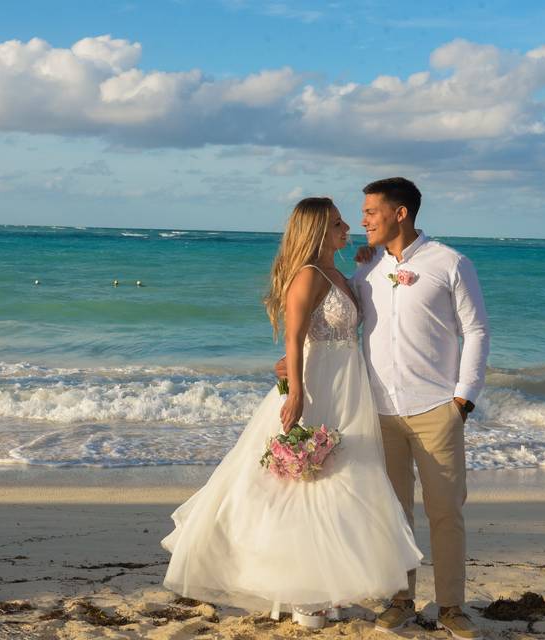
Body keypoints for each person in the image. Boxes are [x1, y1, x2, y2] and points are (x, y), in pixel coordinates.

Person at [162, 197, 422, 629]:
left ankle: (327, 585)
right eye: (338, 224)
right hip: (317, 385)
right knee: (305, 484)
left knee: (340, 484)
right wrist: (296, 392)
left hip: (346, 386)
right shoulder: (308, 275)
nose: (348, 229)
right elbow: (294, 336)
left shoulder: (337, 271)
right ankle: (305, 593)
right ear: (318, 231)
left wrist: (371, 257)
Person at [352, 177, 489, 639]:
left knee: (445, 511)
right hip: (380, 411)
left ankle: (452, 607)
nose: (363, 219)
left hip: (437, 408)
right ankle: (401, 599)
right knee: (393, 512)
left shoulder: (451, 262)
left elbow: (476, 331)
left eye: (371, 211)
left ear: (401, 213)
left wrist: (464, 396)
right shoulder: (365, 267)